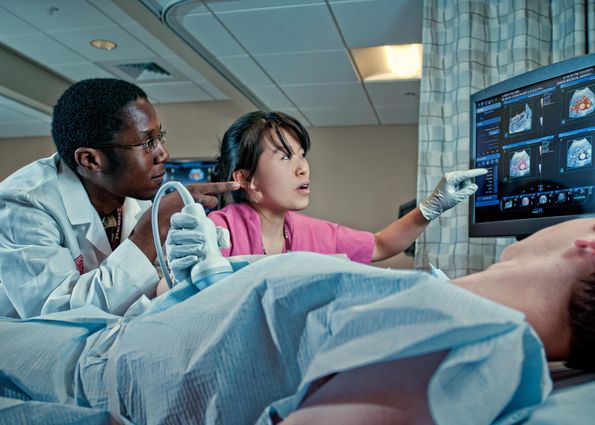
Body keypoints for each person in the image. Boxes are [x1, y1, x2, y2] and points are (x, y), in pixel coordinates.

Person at [0, 218, 593, 425]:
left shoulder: (484, 340)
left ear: (588, 245)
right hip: (81, 344)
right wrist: (209, 280)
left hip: (74, 389)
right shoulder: (433, 295)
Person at [0, 78, 238, 319]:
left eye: (160, 136)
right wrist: (150, 229)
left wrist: (183, 267)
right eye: (147, 143)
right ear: (91, 160)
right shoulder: (23, 203)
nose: (163, 153)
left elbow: (153, 284)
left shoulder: (136, 193)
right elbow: (57, 314)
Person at [207, 111, 486, 262]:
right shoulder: (218, 230)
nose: (303, 167)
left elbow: (378, 246)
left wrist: (430, 208)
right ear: (246, 179)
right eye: (285, 156)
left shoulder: (305, 232)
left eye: (302, 154)